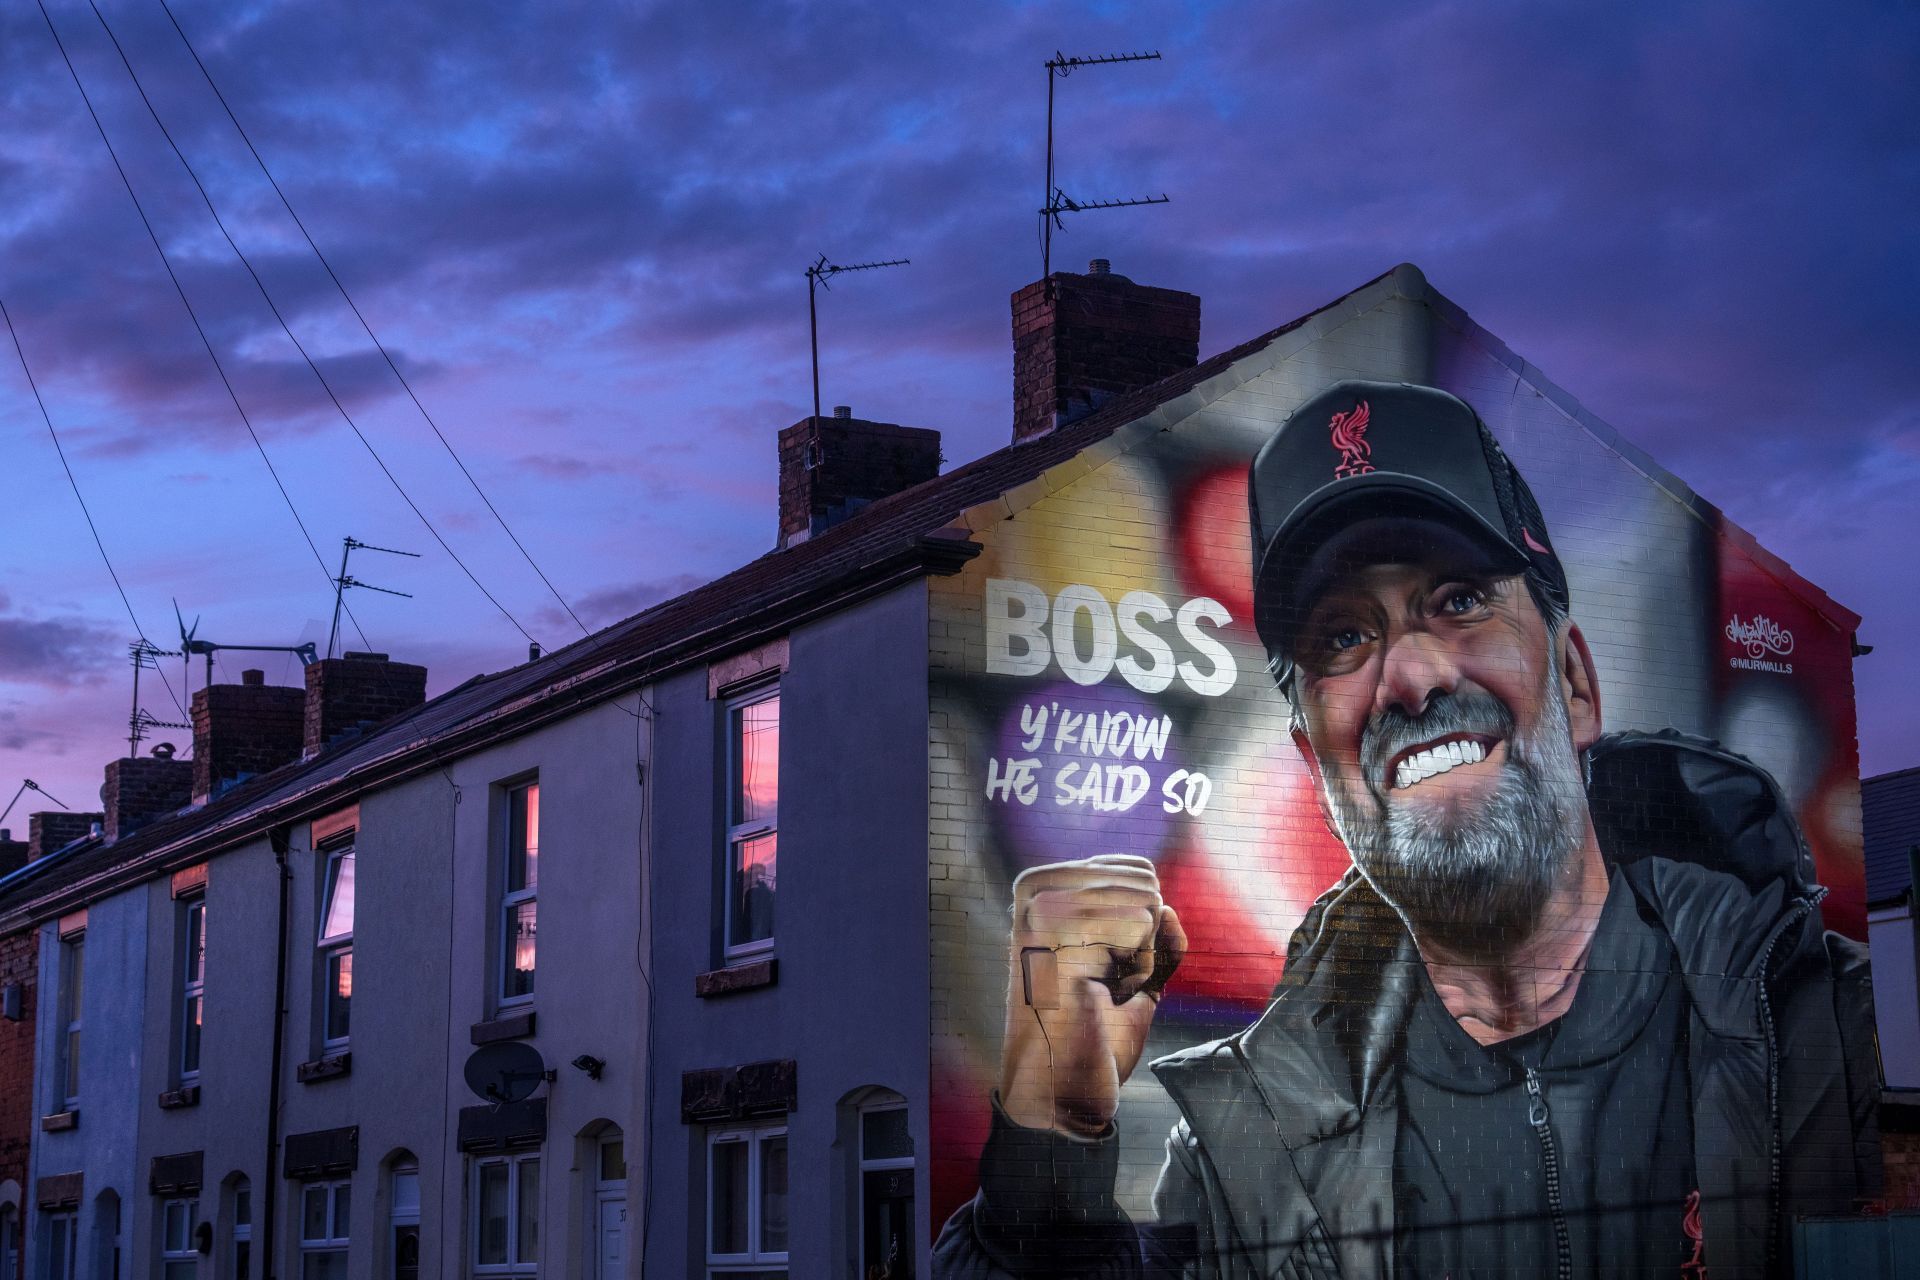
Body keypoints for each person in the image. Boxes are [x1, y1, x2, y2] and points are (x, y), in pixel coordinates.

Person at [934, 380, 1878, 1279]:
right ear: (1317, 767)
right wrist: (1045, 1160)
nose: (1413, 677)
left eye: (1460, 599)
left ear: (1578, 684)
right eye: (1344, 637)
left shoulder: (1833, 1037)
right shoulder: (1245, 1151)